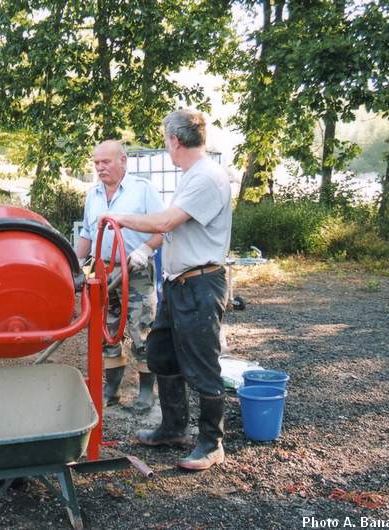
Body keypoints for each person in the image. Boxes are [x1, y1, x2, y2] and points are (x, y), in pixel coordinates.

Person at [106, 109, 232, 471]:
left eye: (166, 141)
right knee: (161, 351)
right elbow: (171, 230)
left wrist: (120, 219)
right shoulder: (191, 176)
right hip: (177, 285)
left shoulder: (207, 177)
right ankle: (174, 428)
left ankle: (211, 443)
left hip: (201, 284)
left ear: (175, 141)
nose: (167, 147)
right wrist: (146, 250)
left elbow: (166, 222)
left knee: (203, 363)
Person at [76, 140, 164, 413]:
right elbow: (88, 235)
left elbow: (163, 228)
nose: (100, 167)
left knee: (142, 329)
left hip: (134, 269)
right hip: (102, 271)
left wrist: (145, 249)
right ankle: (111, 391)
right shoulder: (93, 195)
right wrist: (79, 265)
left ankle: (147, 392)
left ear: (123, 161)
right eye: (97, 163)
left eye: (106, 162)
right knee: (107, 331)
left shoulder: (142, 189)